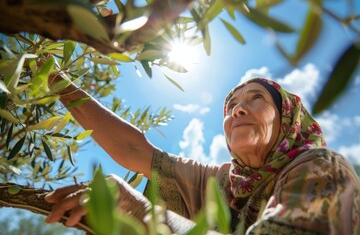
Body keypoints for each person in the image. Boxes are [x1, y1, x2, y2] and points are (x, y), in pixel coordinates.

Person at [44, 73, 360, 234]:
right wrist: (52, 76)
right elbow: (136, 151)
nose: (238, 109)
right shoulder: (224, 182)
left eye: (255, 98)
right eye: (232, 105)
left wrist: (141, 210)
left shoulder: (322, 168)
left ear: (288, 120)